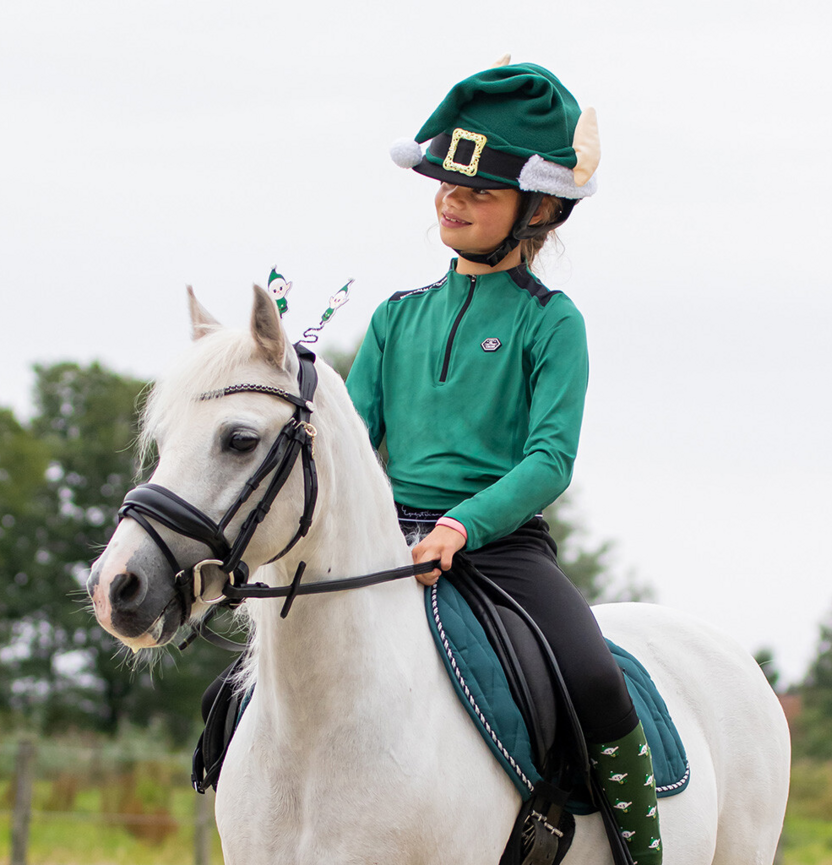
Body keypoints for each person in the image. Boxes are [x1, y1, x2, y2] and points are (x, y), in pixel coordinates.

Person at [345, 60, 662, 865]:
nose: (450, 201)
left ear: (538, 207)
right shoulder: (394, 318)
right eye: (445, 185)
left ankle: (638, 851)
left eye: (476, 192)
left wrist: (462, 522)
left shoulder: (552, 323)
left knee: (595, 677)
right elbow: (350, 446)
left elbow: (549, 459)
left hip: (500, 544)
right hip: (388, 540)